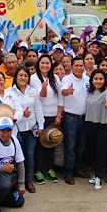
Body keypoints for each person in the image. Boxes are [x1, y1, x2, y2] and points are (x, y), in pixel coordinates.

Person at [6, 66, 44, 193]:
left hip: (31, 128)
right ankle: (17, 180)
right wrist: (22, 115)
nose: (23, 78)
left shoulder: (33, 91)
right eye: (20, 75)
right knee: (17, 156)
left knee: (30, 155)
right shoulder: (9, 92)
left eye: (25, 76)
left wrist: (41, 125)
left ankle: (29, 180)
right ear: (16, 76)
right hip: (17, 129)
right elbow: (10, 111)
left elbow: (38, 109)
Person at [29, 55, 63, 184]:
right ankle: (37, 171)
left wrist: (59, 115)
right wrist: (43, 87)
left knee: (52, 143)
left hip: (53, 116)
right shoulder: (33, 79)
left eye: (47, 63)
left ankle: (50, 169)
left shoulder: (55, 78)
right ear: (39, 64)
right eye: (42, 63)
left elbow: (60, 98)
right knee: (39, 146)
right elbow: (41, 97)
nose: (45, 65)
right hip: (40, 117)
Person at [60, 56, 91, 184]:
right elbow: (62, 91)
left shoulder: (87, 79)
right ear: (72, 67)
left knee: (81, 146)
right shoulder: (67, 79)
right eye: (76, 66)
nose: (79, 68)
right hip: (70, 118)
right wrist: (67, 91)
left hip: (84, 118)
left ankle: (78, 169)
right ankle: (68, 172)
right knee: (70, 146)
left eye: (81, 65)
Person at [85, 69, 107, 189]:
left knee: (100, 151)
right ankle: (95, 175)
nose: (98, 81)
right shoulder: (89, 93)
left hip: (103, 125)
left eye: (101, 79)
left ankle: (99, 177)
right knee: (93, 151)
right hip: (90, 124)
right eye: (96, 79)